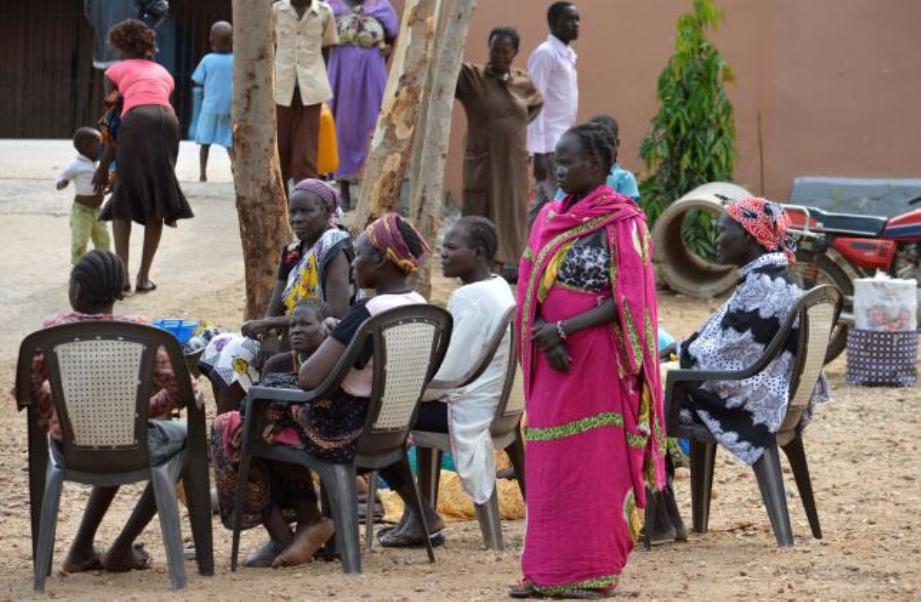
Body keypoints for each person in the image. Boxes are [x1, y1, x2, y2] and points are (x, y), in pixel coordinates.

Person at [511, 123, 666, 598]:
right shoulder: (549, 215)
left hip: (597, 358)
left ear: (596, 167)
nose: (557, 167)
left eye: (567, 160)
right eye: (556, 158)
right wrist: (542, 332)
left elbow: (627, 298)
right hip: (549, 357)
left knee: (592, 462)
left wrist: (563, 330)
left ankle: (592, 573)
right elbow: (528, 274)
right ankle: (543, 572)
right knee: (549, 460)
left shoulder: (623, 221)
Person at [23, 250, 191, 573]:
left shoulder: (51, 332)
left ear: (76, 291)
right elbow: (182, 392)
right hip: (128, 442)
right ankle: (121, 547)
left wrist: (56, 411)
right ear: (118, 294)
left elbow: (27, 390)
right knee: (190, 438)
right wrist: (145, 411)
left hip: (68, 448)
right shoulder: (141, 333)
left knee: (106, 426)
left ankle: (81, 549)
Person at [378, 216, 517, 547]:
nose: (443, 254)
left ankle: (419, 514)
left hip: (471, 411)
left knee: (383, 418)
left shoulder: (470, 298)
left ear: (479, 253)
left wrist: (404, 381)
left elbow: (448, 372)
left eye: (452, 248)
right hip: (499, 405)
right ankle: (418, 516)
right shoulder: (498, 286)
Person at [660, 198, 829, 465]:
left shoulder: (765, 287)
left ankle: (657, 491)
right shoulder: (774, 277)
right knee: (663, 366)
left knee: (642, 391)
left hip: (750, 406)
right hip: (772, 396)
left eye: (722, 231)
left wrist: (679, 356)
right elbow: (728, 340)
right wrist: (680, 350)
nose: (717, 240)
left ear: (750, 235)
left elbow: (721, 358)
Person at [199, 179, 352, 415]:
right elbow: (275, 306)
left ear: (326, 211)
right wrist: (268, 334)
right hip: (290, 335)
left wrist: (270, 324)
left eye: (305, 211)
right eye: (293, 212)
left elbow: (336, 313)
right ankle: (233, 425)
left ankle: (232, 431)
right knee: (219, 347)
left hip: (321, 345)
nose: (297, 219)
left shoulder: (334, 247)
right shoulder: (293, 252)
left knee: (235, 355)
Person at [211, 299, 337, 568]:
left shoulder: (336, 360)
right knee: (237, 433)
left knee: (240, 433)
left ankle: (293, 529)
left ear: (326, 329)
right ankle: (289, 528)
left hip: (324, 435)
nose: (296, 330)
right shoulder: (280, 363)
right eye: (292, 325)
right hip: (279, 436)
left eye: (305, 324)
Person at [93, 18, 194, 294]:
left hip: (136, 120)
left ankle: (122, 276)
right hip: (169, 122)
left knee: (123, 196)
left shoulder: (114, 72)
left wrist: (104, 167)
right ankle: (143, 278)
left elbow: (111, 120)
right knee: (158, 198)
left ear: (118, 46)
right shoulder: (164, 73)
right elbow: (159, 103)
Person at [456, 27, 543, 280]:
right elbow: (445, 72)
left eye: (505, 51)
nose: (499, 56)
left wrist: (519, 124)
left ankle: (504, 265)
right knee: (479, 211)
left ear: (515, 52)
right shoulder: (473, 77)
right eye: (495, 50)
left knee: (510, 212)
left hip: (513, 162)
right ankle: (476, 267)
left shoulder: (522, 81)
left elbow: (537, 103)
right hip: (483, 160)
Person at [327, 0, 399, 210]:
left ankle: (373, 188)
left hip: (372, 73)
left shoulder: (382, 6)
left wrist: (384, 52)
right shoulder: (331, 5)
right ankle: (344, 187)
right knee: (343, 128)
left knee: (374, 126)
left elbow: (393, 35)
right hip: (341, 74)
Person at [273, 0, 340, 191]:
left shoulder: (325, 12)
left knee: (306, 153)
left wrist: (315, 77)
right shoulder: (277, 10)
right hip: (281, 89)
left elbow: (327, 48)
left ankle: (306, 202)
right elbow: (271, 45)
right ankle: (281, 205)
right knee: (279, 150)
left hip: (312, 90)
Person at [527, 2, 580, 208]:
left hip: (563, 139)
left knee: (543, 204)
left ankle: (530, 240)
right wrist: (537, 151)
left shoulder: (567, 55)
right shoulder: (545, 54)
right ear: (553, 23)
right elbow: (534, 102)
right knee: (559, 202)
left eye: (577, 20)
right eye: (569, 19)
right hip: (549, 143)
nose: (576, 24)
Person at [551, 114, 639, 205]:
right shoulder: (570, 182)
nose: (559, 171)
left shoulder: (624, 178)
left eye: (607, 143)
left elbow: (629, 208)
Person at [57, 127, 111, 264]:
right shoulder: (76, 165)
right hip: (81, 211)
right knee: (80, 242)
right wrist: (62, 182)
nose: (102, 147)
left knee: (103, 239)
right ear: (87, 148)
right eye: (99, 144)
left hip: (98, 211)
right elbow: (63, 175)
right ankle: (78, 268)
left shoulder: (100, 164)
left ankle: (104, 266)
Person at [192, 21, 234, 182]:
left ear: (211, 41)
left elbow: (198, 79)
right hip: (229, 107)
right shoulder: (236, 59)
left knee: (205, 142)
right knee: (230, 142)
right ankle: (234, 167)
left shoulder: (207, 59)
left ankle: (203, 173)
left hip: (210, 106)